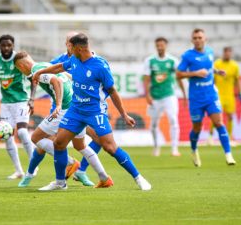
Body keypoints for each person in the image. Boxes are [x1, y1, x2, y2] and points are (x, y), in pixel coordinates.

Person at [33, 33, 152, 191]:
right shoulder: (75, 59)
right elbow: (60, 67)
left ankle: (138, 178)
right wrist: (40, 73)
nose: (69, 50)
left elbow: (113, 91)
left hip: (95, 111)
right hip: (75, 110)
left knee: (110, 147)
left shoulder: (100, 66)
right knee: (59, 143)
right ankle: (60, 183)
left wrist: (124, 114)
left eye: (71, 47)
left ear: (80, 48)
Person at [13, 51, 112, 188]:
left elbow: (56, 80)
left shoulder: (37, 70)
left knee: (36, 138)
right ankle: (104, 177)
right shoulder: (45, 65)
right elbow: (64, 75)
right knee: (80, 146)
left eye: (19, 69)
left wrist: (58, 105)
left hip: (65, 109)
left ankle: (70, 163)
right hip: (76, 107)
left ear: (21, 66)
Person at [176, 28, 236, 167]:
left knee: (219, 123)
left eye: (200, 37)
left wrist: (216, 71)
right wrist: (195, 73)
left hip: (211, 95)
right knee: (197, 128)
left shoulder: (210, 52)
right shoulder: (187, 56)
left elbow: (209, 67)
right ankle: (194, 149)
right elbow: (178, 74)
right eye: (195, 38)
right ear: (192, 40)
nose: (197, 40)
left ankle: (228, 155)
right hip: (196, 98)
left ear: (205, 39)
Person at [50, 31, 102, 186]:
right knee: (46, 142)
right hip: (65, 108)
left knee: (99, 139)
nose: (70, 44)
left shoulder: (90, 58)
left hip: (84, 107)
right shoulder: (58, 61)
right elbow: (49, 79)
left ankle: (80, 171)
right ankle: (30, 173)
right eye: (68, 41)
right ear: (67, 44)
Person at [0, 34, 35, 179]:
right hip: (6, 104)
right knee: (7, 137)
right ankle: (19, 171)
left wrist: (32, 99)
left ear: (13, 45)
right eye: (3, 45)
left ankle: (33, 166)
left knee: (22, 133)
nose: (6, 48)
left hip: (22, 100)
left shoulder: (19, 60)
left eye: (8, 45)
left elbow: (33, 78)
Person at [144, 37, 186, 157]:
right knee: (153, 124)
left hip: (169, 96)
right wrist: (147, 95)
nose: (160, 47)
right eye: (158, 45)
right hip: (155, 97)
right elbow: (146, 79)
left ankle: (174, 148)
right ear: (155, 46)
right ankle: (156, 146)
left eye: (162, 45)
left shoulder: (173, 61)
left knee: (173, 120)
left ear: (166, 46)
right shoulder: (150, 61)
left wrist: (184, 94)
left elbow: (179, 77)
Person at [208, 47, 241, 146]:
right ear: (223, 53)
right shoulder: (217, 64)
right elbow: (212, 79)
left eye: (229, 52)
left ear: (231, 53)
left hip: (230, 95)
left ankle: (229, 137)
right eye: (226, 52)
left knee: (230, 116)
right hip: (217, 94)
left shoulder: (234, 66)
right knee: (215, 116)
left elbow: (238, 80)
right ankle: (210, 137)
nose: (228, 54)